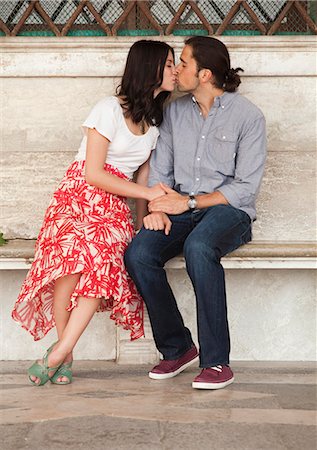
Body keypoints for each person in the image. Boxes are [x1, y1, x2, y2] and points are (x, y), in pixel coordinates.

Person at [12, 40, 176, 386]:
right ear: (150, 68)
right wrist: (145, 193)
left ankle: (57, 353)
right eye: (170, 64)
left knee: (100, 266)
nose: (175, 71)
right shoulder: (108, 109)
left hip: (114, 206)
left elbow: (143, 179)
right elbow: (94, 172)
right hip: (78, 195)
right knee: (70, 270)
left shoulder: (155, 127)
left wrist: (145, 214)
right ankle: (66, 353)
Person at [125, 36, 266, 390]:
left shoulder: (248, 117)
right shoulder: (174, 111)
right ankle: (178, 347)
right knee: (139, 253)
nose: (176, 70)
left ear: (204, 74)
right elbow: (160, 170)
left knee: (200, 248)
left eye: (183, 63)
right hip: (178, 208)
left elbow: (245, 187)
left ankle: (217, 362)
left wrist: (186, 204)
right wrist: (156, 208)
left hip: (227, 211)